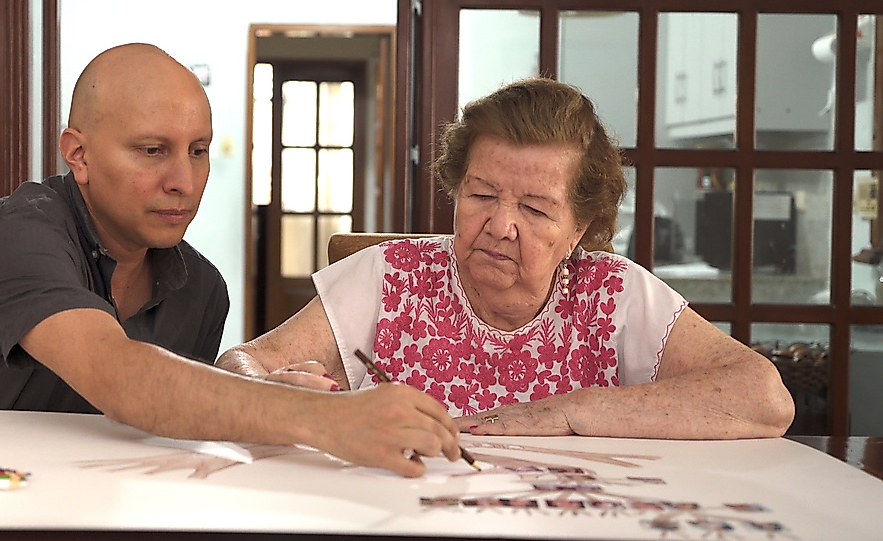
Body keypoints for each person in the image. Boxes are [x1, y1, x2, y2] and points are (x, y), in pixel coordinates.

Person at [0, 43, 463, 477]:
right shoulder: (17, 233)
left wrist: (273, 390)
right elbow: (123, 378)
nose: (184, 182)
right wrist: (323, 420)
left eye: (198, 151)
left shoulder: (202, 290)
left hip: (84, 509)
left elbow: (160, 417)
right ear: (79, 155)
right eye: (152, 151)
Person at [217, 77, 796, 440]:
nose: (500, 226)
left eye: (537, 209)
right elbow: (239, 364)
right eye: (482, 195)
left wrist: (571, 411)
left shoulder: (614, 295)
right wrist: (272, 390)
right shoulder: (390, 276)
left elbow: (765, 398)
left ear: (581, 228)